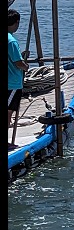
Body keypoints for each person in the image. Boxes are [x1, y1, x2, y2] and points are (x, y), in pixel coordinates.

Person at [8, 9, 29, 150]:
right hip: (12, 83)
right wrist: (25, 66)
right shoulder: (11, 41)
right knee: (8, 112)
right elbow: (18, 63)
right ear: (16, 23)